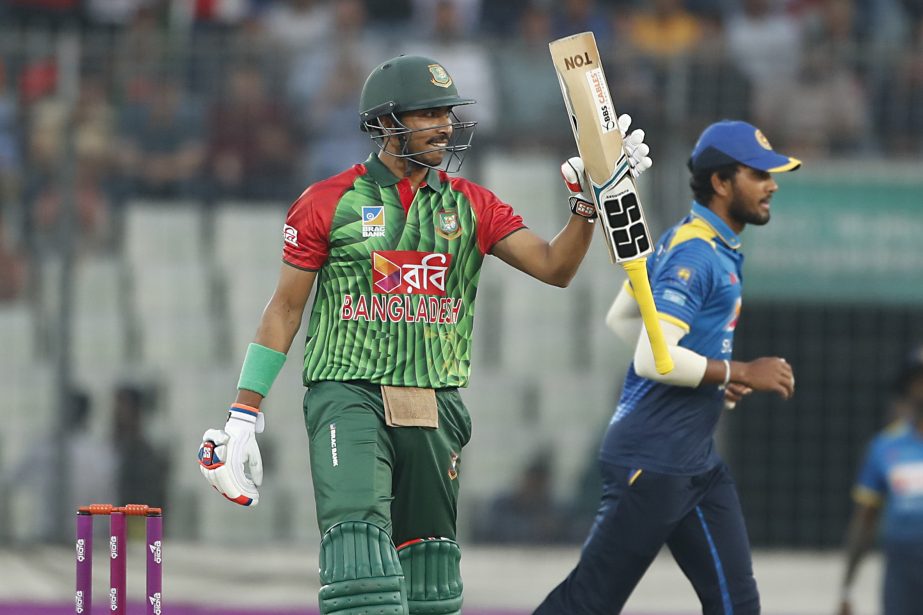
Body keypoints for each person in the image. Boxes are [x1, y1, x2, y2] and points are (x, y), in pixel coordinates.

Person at [196, 54, 652, 614]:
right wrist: (244, 412)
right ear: (387, 124)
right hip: (348, 392)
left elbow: (555, 268)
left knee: (432, 580)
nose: (445, 125)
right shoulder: (327, 202)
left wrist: (588, 203)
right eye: (427, 113)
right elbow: (285, 309)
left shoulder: (473, 204)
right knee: (358, 563)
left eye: (448, 112)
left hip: (434, 398)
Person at [533, 120, 799, 615]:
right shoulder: (695, 252)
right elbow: (652, 358)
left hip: (694, 460)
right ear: (721, 182)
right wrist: (736, 371)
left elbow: (623, 319)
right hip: (650, 462)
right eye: (759, 174)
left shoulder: (696, 238)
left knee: (737, 606)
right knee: (588, 603)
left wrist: (709, 373)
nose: (772, 185)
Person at [837, 346, 923, 615]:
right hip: (902, 568)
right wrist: (847, 588)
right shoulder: (884, 447)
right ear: (907, 386)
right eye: (919, 379)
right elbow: (865, 519)